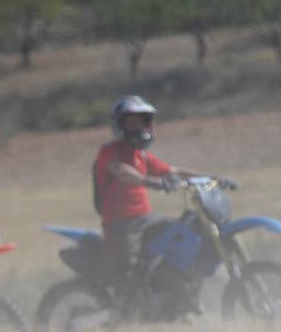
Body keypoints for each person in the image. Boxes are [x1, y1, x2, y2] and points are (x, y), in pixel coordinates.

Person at [94, 95, 224, 318]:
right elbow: (121, 171)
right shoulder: (110, 151)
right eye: (131, 122)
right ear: (119, 125)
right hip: (122, 225)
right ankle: (125, 314)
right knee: (130, 275)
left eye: (142, 121)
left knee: (188, 235)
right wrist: (149, 181)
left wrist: (213, 178)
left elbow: (173, 171)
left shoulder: (141, 155)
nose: (138, 127)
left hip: (147, 219)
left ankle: (178, 296)